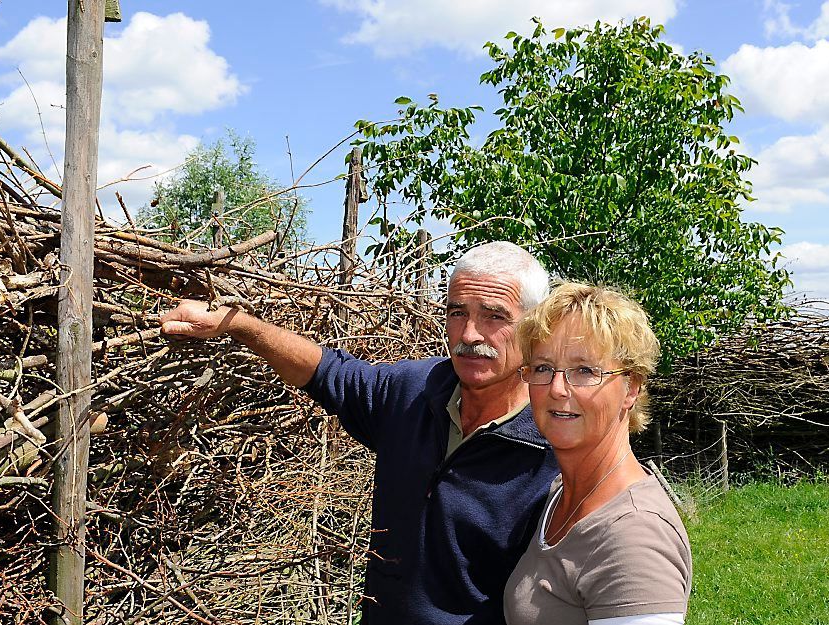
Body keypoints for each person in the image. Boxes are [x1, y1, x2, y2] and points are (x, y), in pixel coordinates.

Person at [161, 241, 559, 625]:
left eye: (494, 316)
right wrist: (239, 325)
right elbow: (325, 371)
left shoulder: (554, 452)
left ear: (534, 330)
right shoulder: (413, 392)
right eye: (457, 313)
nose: (469, 335)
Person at [505, 282, 692, 625]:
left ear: (631, 388)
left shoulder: (635, 535)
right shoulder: (561, 494)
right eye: (543, 367)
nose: (557, 389)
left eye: (585, 371)